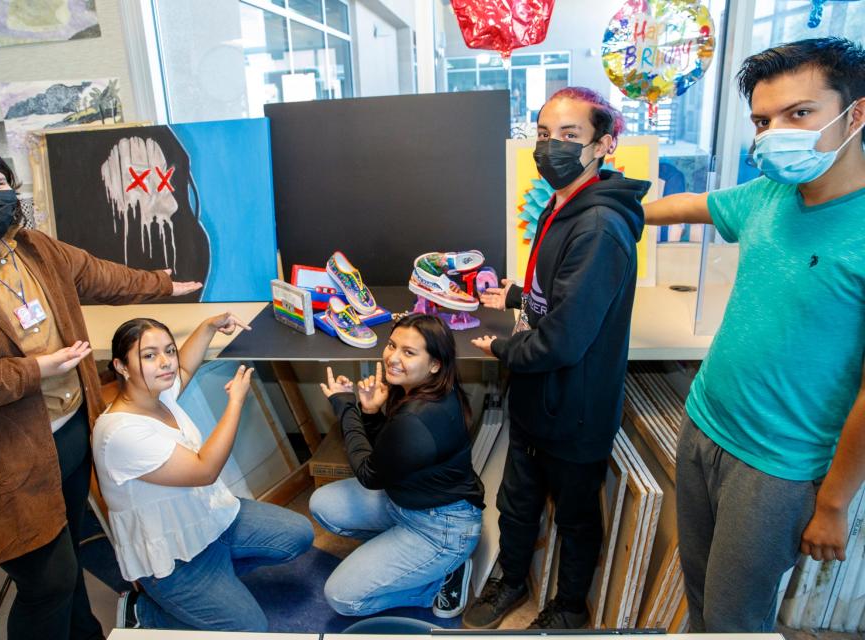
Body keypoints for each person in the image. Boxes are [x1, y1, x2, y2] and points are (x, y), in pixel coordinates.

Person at [0, 134, 202, 640]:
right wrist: (31, 371)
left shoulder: (31, 247)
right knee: (50, 583)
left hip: (66, 432)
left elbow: (96, 275)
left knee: (68, 550)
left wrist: (162, 285)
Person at [642, 37, 865, 632]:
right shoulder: (769, 195)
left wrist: (835, 504)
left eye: (799, 114)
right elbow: (691, 205)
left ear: (856, 113)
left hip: (777, 469)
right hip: (704, 424)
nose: (775, 134)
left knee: (736, 617)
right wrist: (607, 204)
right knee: (699, 592)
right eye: (763, 121)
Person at [466, 87, 649, 629]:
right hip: (535, 398)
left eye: (570, 136)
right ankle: (512, 580)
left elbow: (564, 340)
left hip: (574, 406)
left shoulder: (598, 226)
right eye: (544, 135)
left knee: (573, 516)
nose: (551, 148)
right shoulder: (561, 201)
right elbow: (562, 295)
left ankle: (568, 607)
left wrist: (502, 348)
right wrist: (518, 298)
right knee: (517, 503)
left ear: (604, 145)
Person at [93, 316, 314, 631]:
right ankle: (145, 612)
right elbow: (204, 470)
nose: (166, 362)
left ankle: (219, 588)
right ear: (121, 366)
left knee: (297, 535)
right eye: (149, 355)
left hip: (212, 519)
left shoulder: (159, 393)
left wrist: (209, 327)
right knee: (251, 630)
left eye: (169, 350)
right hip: (176, 559)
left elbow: (184, 367)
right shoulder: (121, 433)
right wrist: (235, 402)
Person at [311, 314, 484, 619]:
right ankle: (408, 555)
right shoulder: (430, 390)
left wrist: (345, 407)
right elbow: (391, 455)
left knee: (341, 597)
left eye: (409, 352)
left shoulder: (419, 418)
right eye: (392, 345)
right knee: (322, 504)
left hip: (442, 528)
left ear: (435, 364)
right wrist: (370, 412)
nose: (392, 357)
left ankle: (438, 579)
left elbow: (369, 473)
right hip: (405, 501)